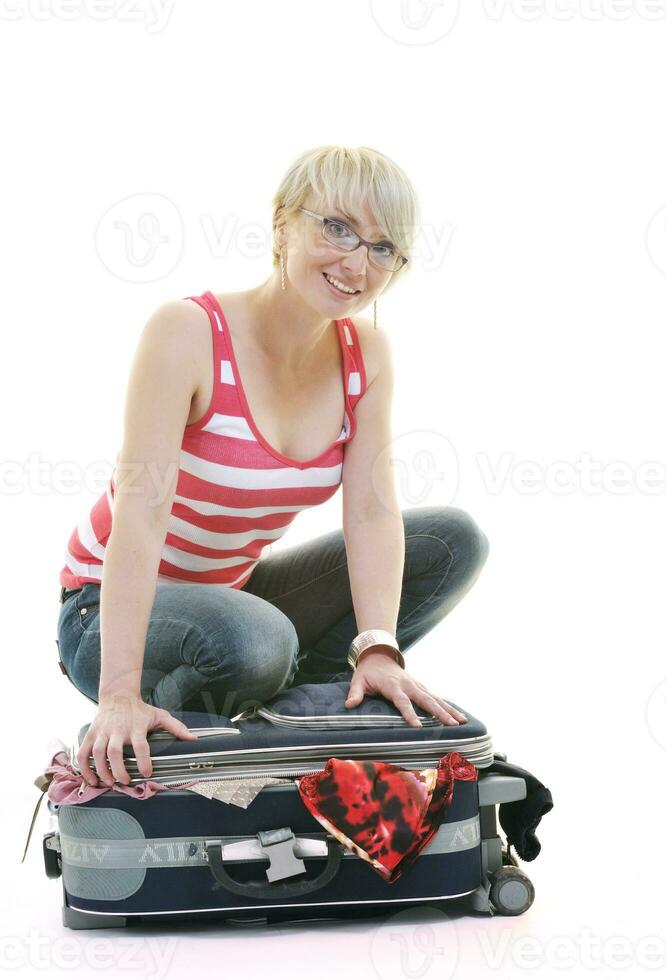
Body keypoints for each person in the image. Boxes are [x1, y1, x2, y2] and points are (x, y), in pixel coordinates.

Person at [55, 144, 490, 790]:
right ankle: (164, 731)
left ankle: (296, 710)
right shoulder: (186, 333)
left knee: (451, 543)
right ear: (284, 221)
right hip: (104, 613)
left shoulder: (365, 354)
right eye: (337, 227)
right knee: (258, 640)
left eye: (381, 248)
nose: (355, 261)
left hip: (234, 601)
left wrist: (377, 646)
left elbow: (372, 510)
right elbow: (141, 514)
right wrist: (117, 690)